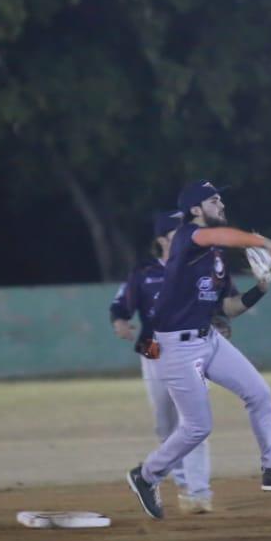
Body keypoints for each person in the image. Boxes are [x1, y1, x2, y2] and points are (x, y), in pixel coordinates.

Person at [125, 180, 271, 520]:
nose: (220, 204)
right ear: (196, 210)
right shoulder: (188, 236)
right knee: (197, 427)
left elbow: (227, 308)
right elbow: (221, 235)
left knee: (259, 393)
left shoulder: (215, 258)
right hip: (175, 347)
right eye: (213, 200)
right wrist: (267, 243)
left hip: (207, 338)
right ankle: (147, 475)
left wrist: (261, 290)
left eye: (221, 199)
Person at [110, 210, 217, 513]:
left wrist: (219, 320)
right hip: (154, 350)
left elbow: (216, 301)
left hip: (192, 350)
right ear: (162, 239)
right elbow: (121, 304)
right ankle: (182, 481)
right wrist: (120, 322)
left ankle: (198, 491)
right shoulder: (144, 272)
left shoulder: (201, 266)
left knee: (193, 421)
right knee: (165, 424)